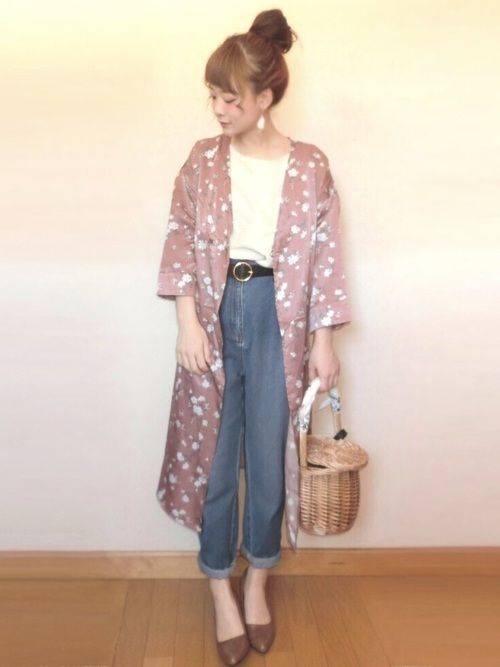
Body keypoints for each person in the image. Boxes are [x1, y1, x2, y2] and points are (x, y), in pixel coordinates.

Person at [155, 9, 352, 664]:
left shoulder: (311, 166)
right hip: (214, 309)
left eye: (230, 98)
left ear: (264, 98)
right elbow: (180, 236)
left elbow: (326, 256)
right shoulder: (202, 161)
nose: (217, 109)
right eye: (212, 96)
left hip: (280, 316)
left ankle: (258, 581)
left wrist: (324, 338)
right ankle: (219, 584)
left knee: (268, 454)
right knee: (215, 456)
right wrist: (187, 319)